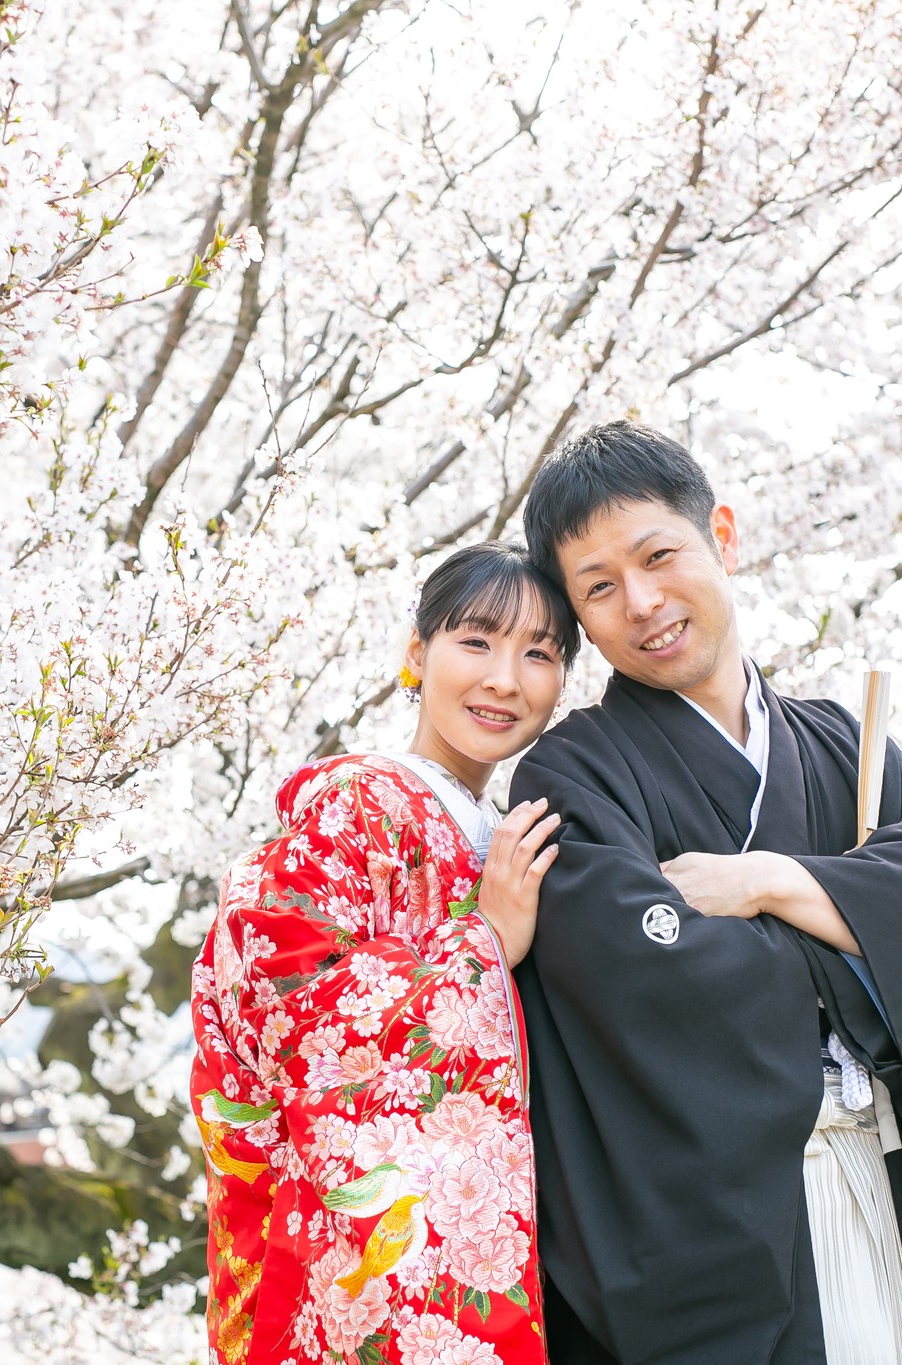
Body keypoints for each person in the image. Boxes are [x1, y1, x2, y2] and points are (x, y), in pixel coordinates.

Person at [509, 422, 902, 1365]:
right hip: (717, 1246)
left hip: (879, 1187)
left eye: (658, 556)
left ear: (724, 536)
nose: (643, 602)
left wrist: (772, 880)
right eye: (599, 587)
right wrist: (864, 919)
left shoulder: (842, 743)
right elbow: (644, 980)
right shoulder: (573, 775)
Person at [190, 542, 578, 1365]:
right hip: (382, 1262)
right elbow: (281, 1009)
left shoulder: (505, 824)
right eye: (476, 641)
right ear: (417, 652)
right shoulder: (359, 800)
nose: (505, 678)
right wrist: (483, 945)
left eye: (539, 654)